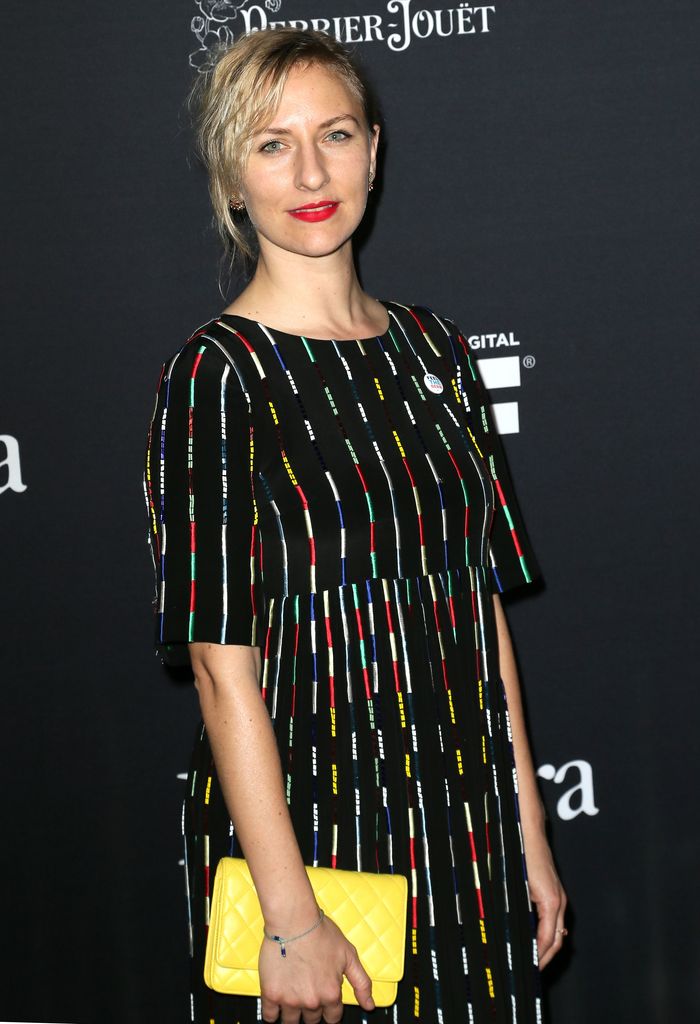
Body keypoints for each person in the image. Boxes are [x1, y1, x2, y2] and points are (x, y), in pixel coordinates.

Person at [143, 26, 567, 1024]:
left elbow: (478, 612)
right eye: (271, 143)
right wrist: (288, 916)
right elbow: (218, 665)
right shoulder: (216, 377)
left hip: (465, 821)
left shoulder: (436, 350)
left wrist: (528, 834)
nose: (310, 172)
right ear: (232, 176)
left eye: (334, 134)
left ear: (373, 150)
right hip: (311, 832)